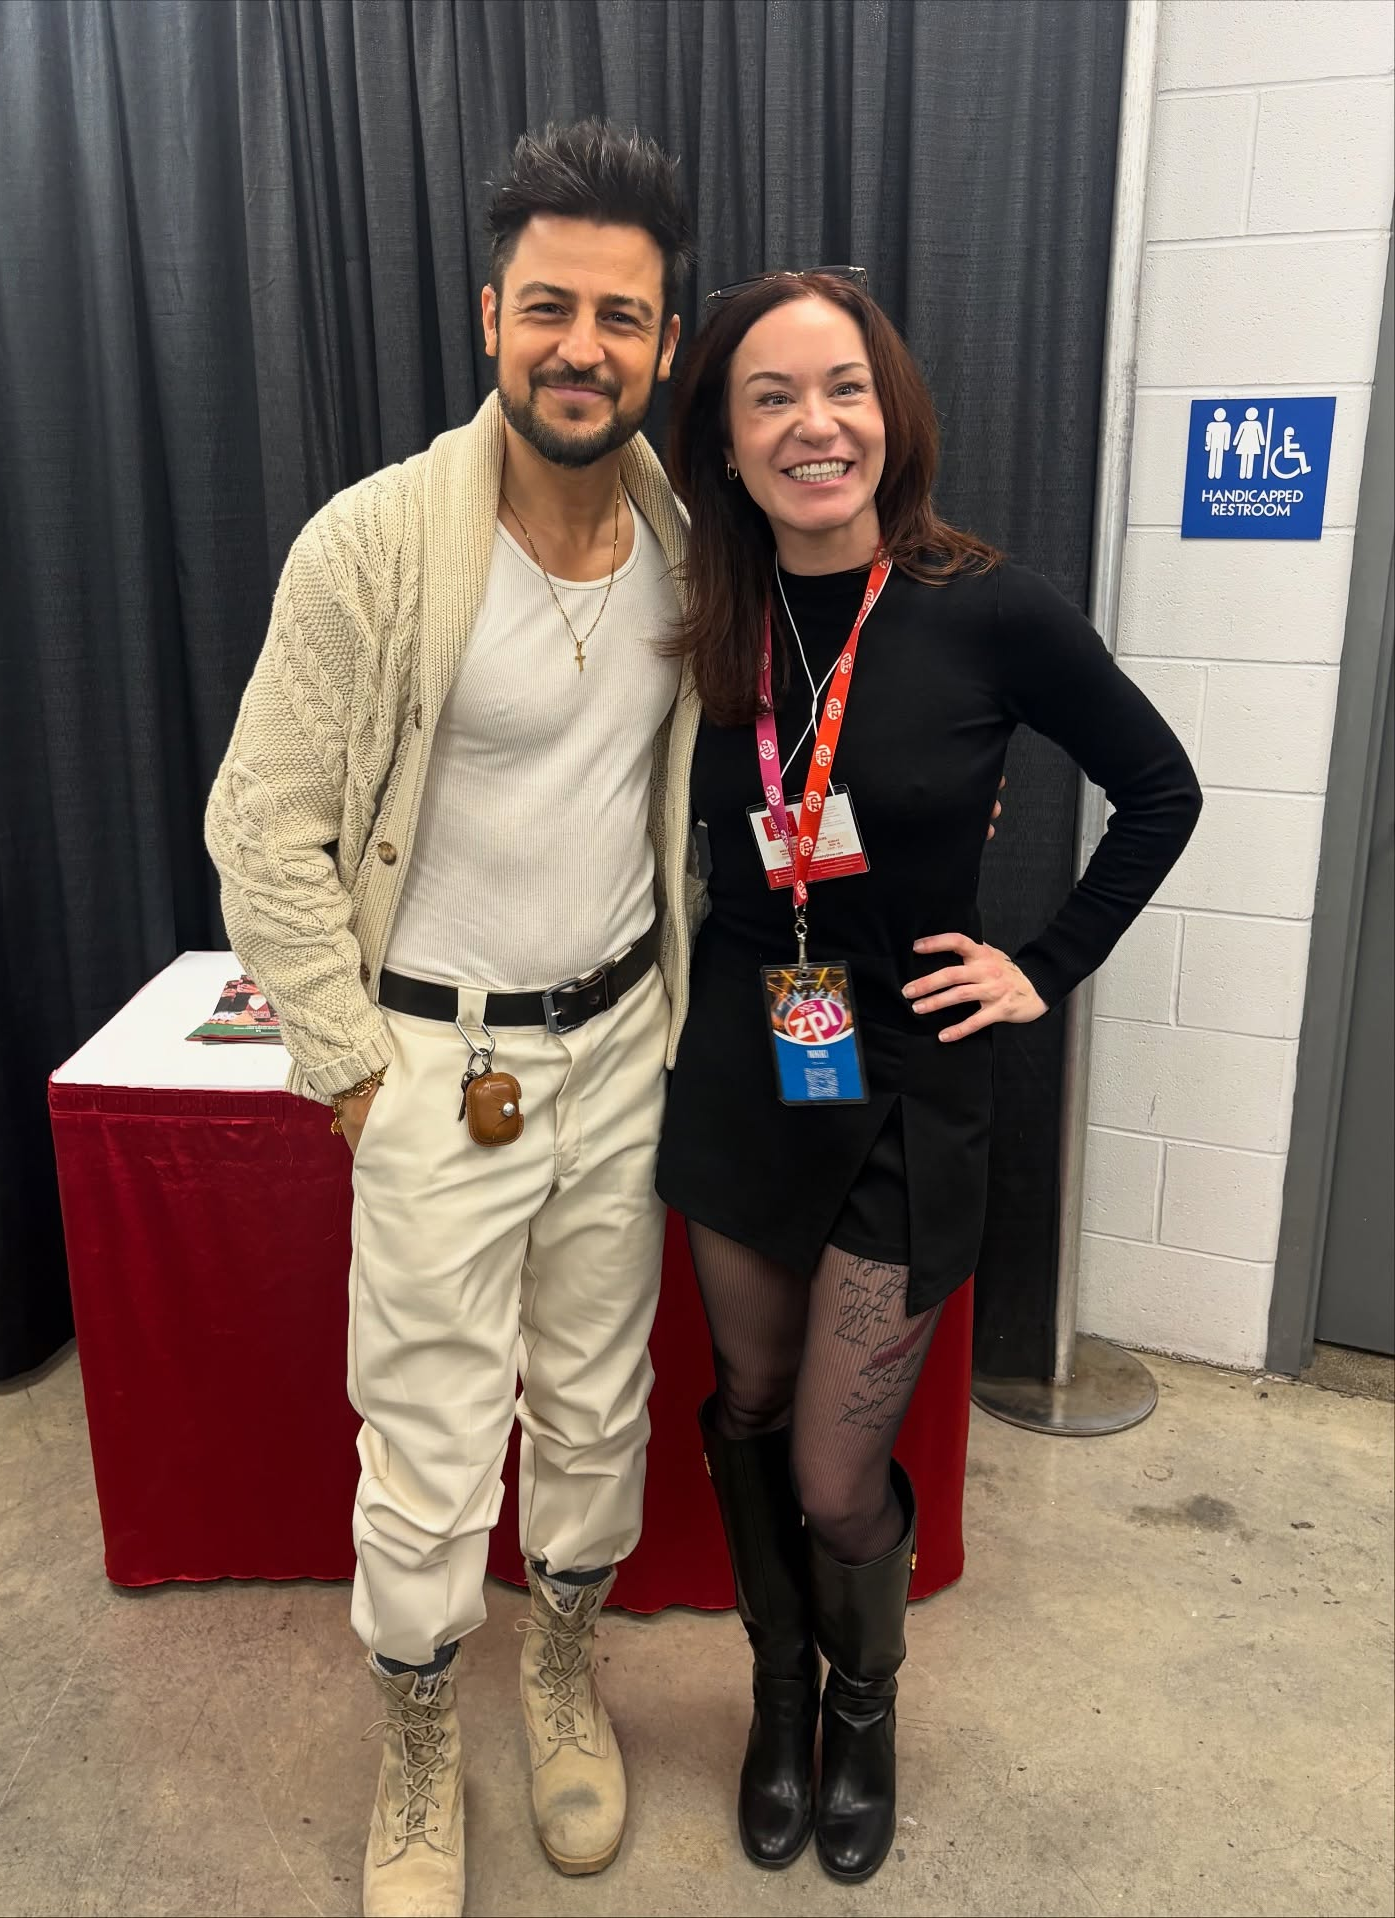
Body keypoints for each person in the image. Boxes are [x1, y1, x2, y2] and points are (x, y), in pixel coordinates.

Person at [205, 121, 701, 1918]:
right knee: (425, 1438)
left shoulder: (680, 534)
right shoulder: (377, 545)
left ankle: (560, 1663)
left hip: (622, 1048)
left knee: (596, 1404)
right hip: (439, 1060)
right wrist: (353, 1071)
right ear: (491, 314)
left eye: (622, 317)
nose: (584, 346)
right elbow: (259, 823)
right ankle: (419, 1732)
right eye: (549, 306)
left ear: (665, 342)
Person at [654, 270, 1203, 1886]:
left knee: (835, 1469)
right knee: (749, 1405)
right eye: (770, 397)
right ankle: (778, 1694)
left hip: (905, 1078)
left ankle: (863, 1703)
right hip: (748, 1060)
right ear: (727, 443)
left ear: (891, 414)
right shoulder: (704, 611)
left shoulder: (989, 607)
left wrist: (1046, 960)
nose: (813, 424)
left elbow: (1161, 788)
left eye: (843, 388)